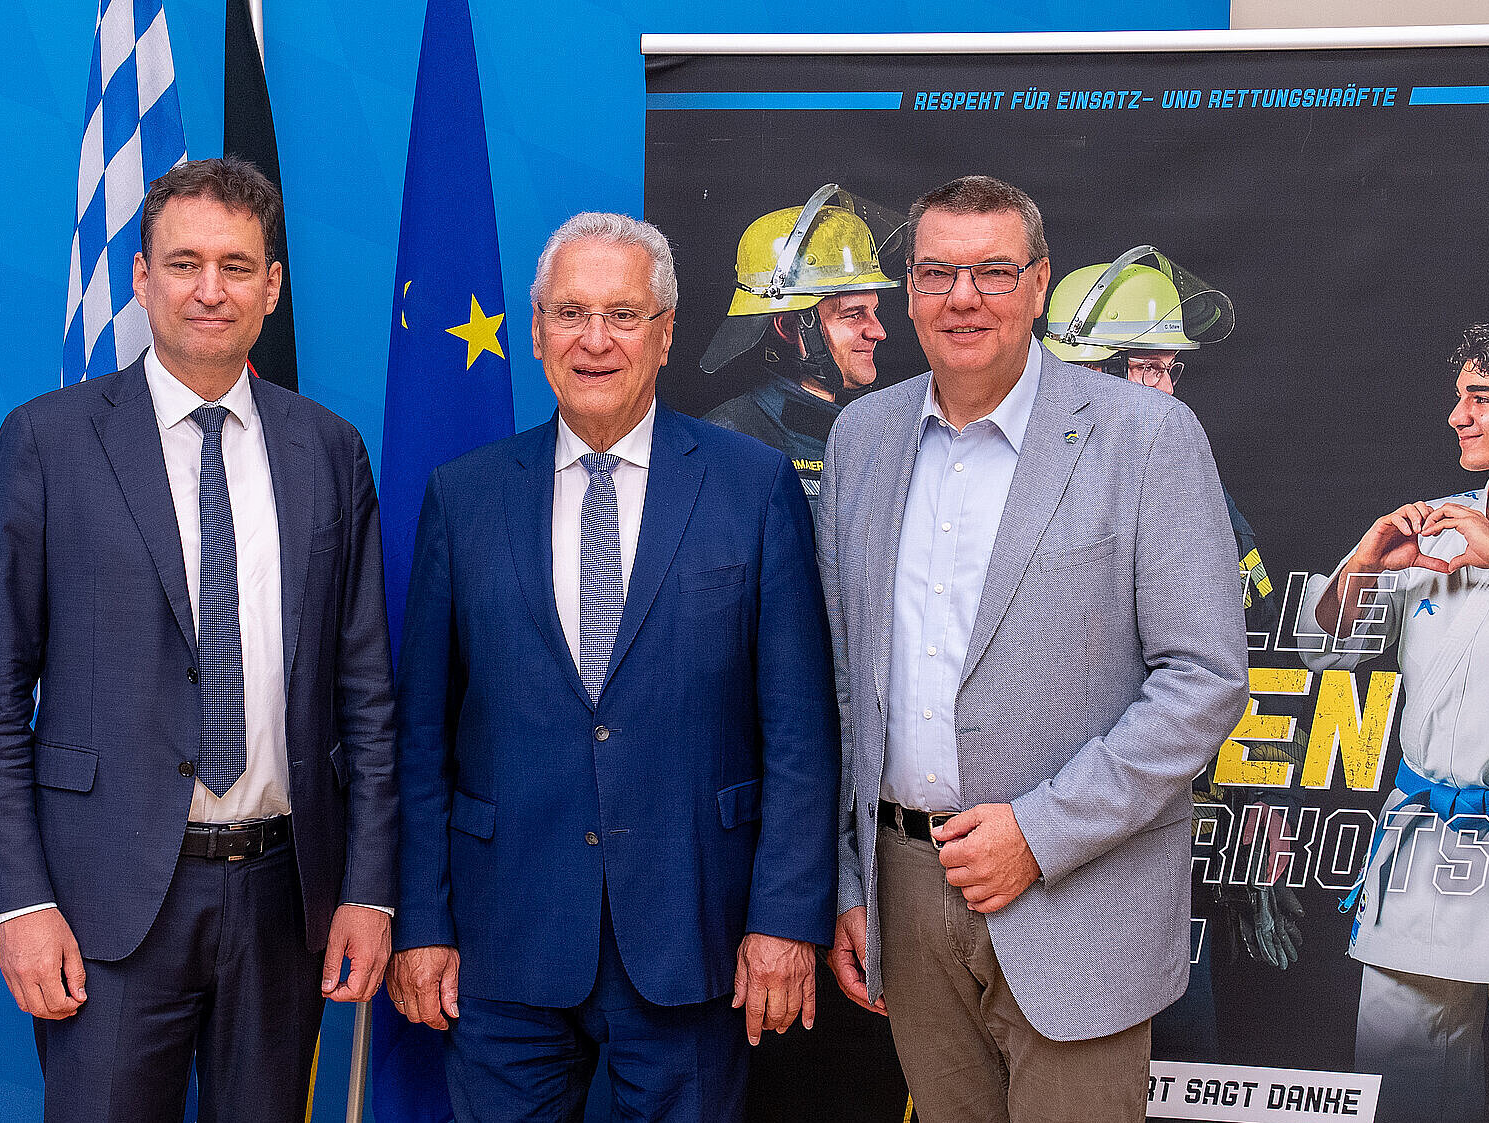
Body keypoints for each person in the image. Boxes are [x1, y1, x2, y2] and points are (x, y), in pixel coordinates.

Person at [0, 156, 396, 1122]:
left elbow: (367, 693)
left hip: (286, 900)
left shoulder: (329, 449)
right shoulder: (47, 442)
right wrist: (21, 902)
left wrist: (369, 889)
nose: (211, 290)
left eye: (238, 266)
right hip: (103, 902)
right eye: (186, 262)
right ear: (142, 279)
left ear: (272, 287)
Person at [388, 212, 839, 1123]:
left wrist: (786, 917)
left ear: (667, 332)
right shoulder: (464, 496)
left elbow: (800, 732)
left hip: (694, 936)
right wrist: (423, 925)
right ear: (537, 329)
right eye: (571, 313)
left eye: (624, 315)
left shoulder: (752, 486)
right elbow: (422, 738)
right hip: (504, 940)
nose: (595, 340)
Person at [818, 175, 1249, 1122]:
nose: (962, 297)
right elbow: (845, 681)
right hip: (904, 888)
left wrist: (1040, 834)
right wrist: (852, 878)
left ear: (1041, 283)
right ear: (910, 291)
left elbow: (1205, 681)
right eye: (936, 272)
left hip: (1075, 892)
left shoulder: (1148, 436)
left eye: (993, 272)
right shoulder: (862, 437)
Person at [1303, 321, 1489, 1123]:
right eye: (1458, 396)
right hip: (1425, 856)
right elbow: (1325, 654)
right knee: (1404, 1100)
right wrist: (1364, 561)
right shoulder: (1436, 522)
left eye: (1482, 398)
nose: (1457, 414)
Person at [1043, 250, 1303, 1064]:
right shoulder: (992, 479)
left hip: (1164, 827)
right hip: (1032, 829)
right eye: (1138, 370)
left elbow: (1245, 647)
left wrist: (1261, 798)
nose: (1159, 392)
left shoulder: (1191, 475)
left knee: (1178, 1051)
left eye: (1168, 372)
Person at [699, 185, 902, 505]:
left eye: (873, 311)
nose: (878, 332)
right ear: (790, 327)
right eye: (853, 315)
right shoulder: (729, 442)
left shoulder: (884, 433)